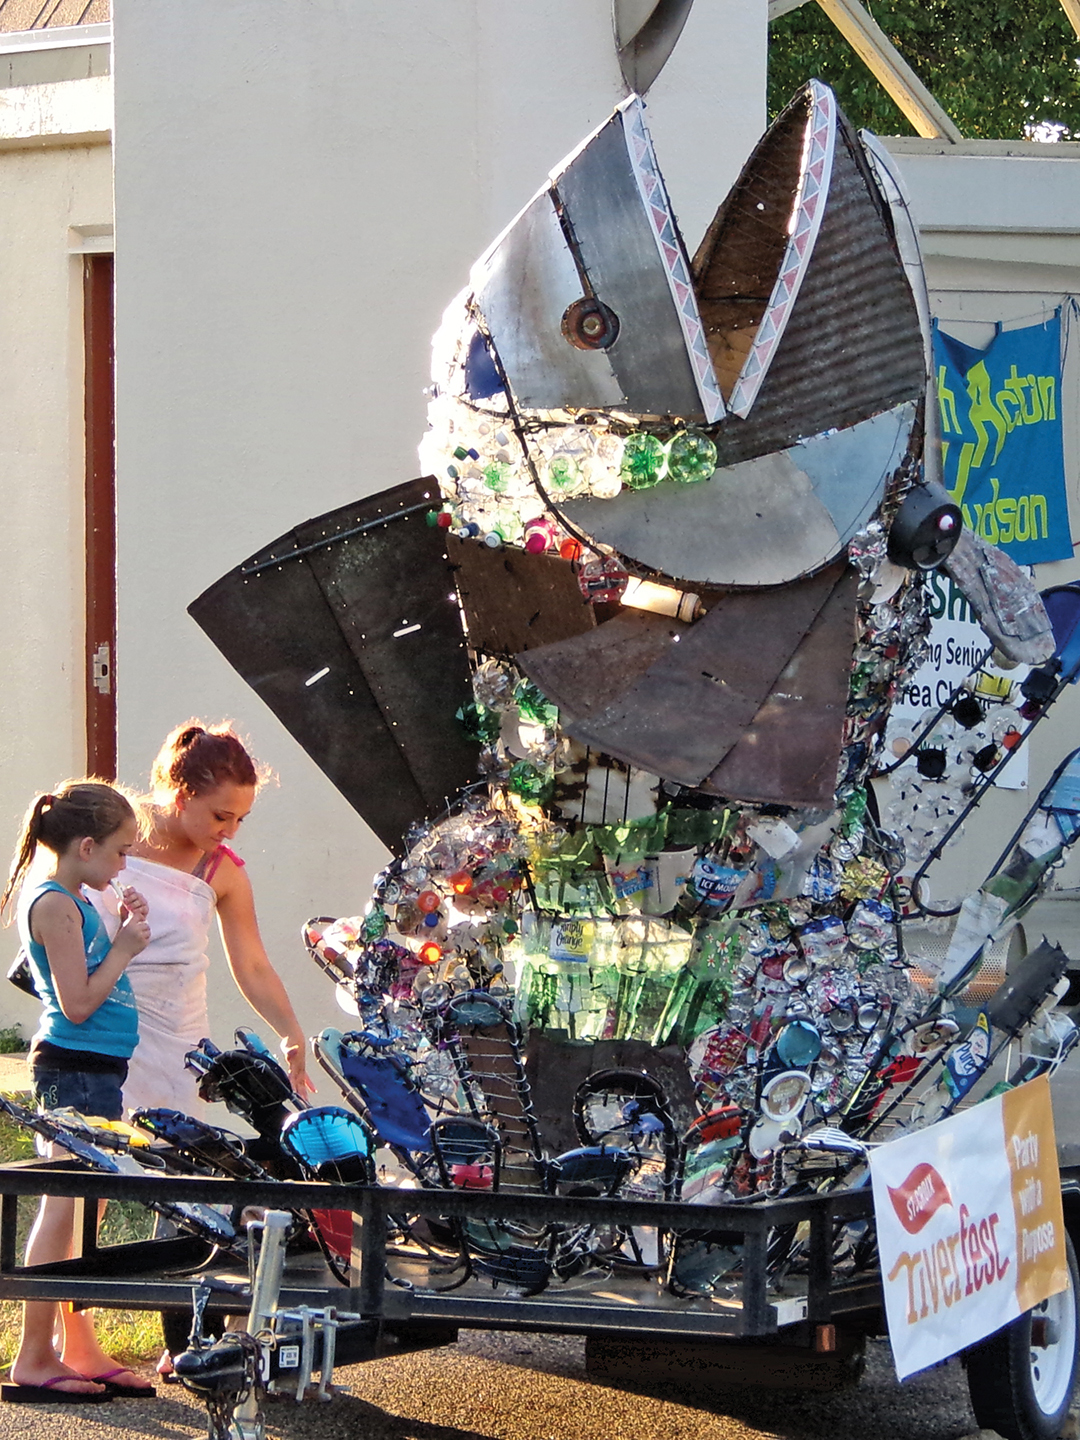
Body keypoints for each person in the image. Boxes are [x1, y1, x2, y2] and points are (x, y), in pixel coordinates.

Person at [0, 782, 154, 1402]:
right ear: (86, 845)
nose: (124, 865)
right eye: (120, 852)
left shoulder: (77, 900)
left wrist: (118, 928)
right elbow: (78, 1003)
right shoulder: (54, 905)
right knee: (63, 1203)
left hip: (98, 1069)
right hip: (73, 1066)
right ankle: (34, 1357)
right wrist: (123, 946)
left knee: (87, 1208)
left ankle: (77, 1346)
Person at [90, 721, 314, 1116]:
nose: (230, 831)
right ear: (181, 797)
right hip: (94, 1032)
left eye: (240, 819)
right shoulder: (107, 832)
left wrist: (291, 1031)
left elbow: (254, 965)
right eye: (220, 816)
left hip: (176, 1048)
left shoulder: (224, 872)